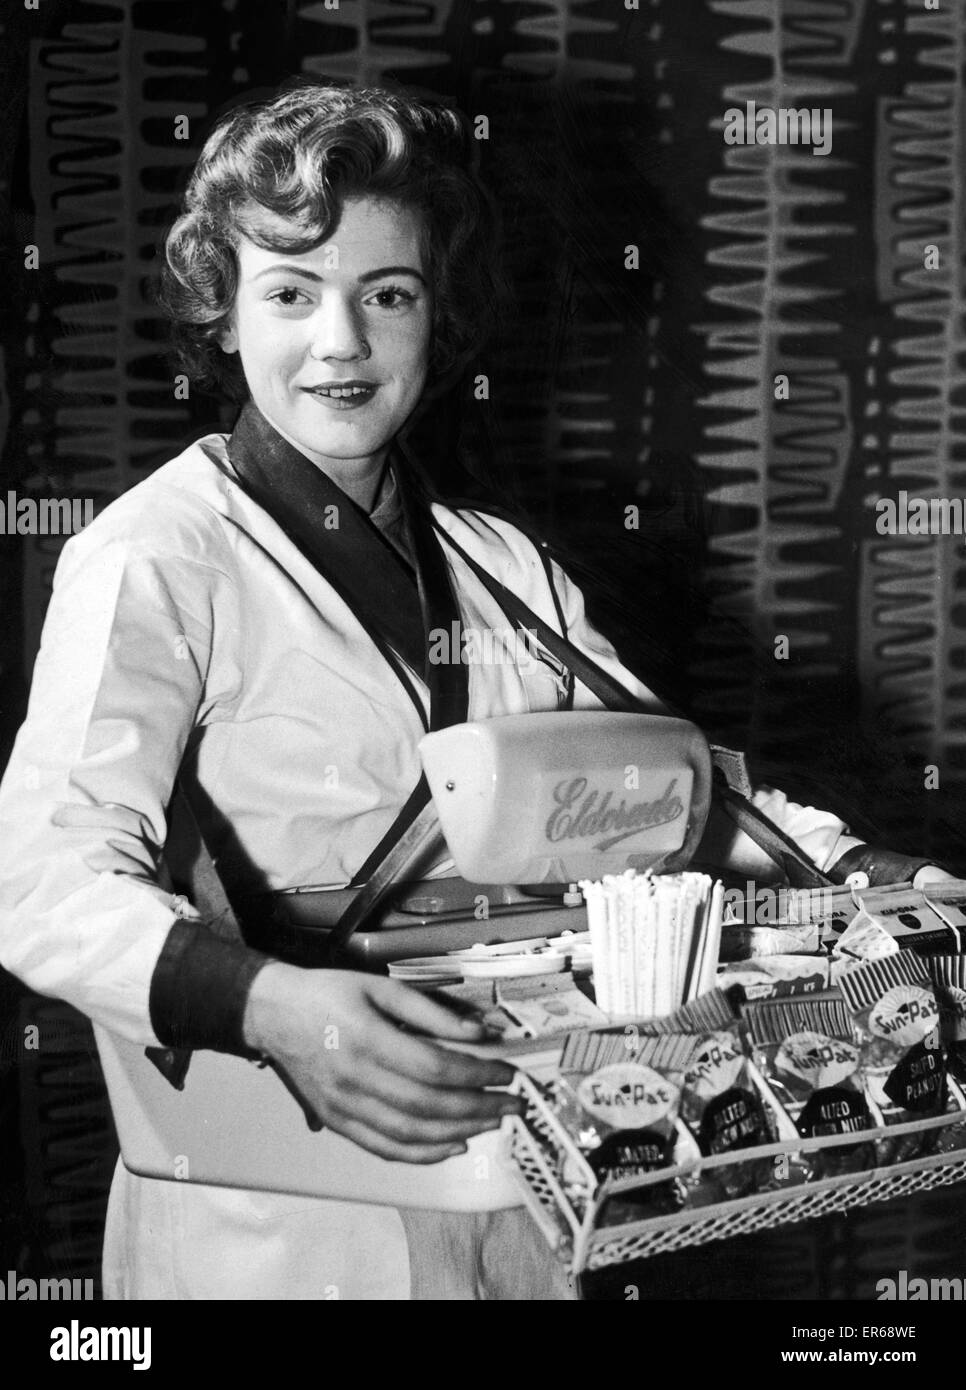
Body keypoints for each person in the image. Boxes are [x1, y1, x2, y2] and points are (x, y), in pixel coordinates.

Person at [0, 81, 954, 1301]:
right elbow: (44, 884)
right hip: (278, 1210)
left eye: (385, 295)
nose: (339, 342)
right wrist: (276, 1006)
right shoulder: (153, 556)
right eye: (289, 293)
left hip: (517, 1178)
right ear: (223, 318)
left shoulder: (508, 567)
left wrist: (864, 874)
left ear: (431, 318)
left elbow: (671, 795)